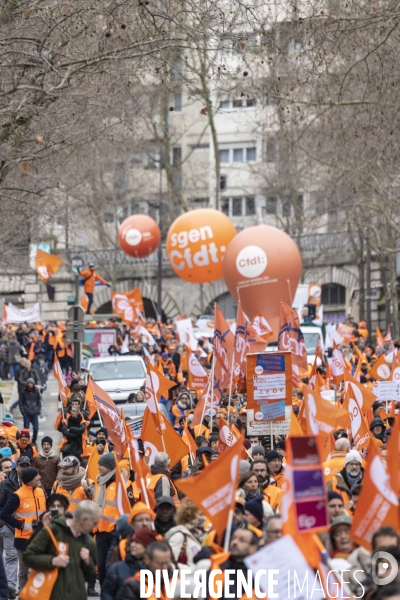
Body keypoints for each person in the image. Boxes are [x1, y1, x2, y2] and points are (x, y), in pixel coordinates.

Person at [23, 500, 99, 600]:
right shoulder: (52, 531)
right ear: (84, 520)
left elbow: (90, 576)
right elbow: (28, 556)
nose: (96, 526)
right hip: (50, 595)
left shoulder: (89, 542)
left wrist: (87, 561)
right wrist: (52, 561)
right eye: (94, 523)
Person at [0, 467, 46, 591]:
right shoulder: (18, 495)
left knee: (40, 571)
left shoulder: (41, 491)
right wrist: (19, 525)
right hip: (23, 539)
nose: (39, 478)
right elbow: (3, 513)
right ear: (30, 479)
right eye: (37, 476)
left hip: (41, 538)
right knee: (24, 572)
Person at [0, 456, 30, 599]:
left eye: (26, 465)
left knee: (19, 558)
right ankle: (9, 587)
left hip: (24, 528)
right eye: (21, 465)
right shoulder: (6, 484)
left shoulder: (34, 484)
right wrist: (3, 523)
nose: (24, 468)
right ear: (16, 467)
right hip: (8, 526)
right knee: (11, 557)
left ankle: (16, 587)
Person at [101, 529, 158, 600]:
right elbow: (106, 593)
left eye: (137, 542)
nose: (132, 545)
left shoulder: (157, 569)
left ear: (147, 546)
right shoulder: (117, 568)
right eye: (132, 541)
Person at [208, 529, 260, 597]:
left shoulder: (256, 577)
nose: (235, 542)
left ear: (253, 548)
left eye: (242, 540)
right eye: (233, 538)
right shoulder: (218, 562)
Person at [93, 453, 118, 588]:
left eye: (101, 465)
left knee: (110, 565)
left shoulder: (120, 484)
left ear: (109, 467)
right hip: (100, 531)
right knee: (101, 566)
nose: (99, 467)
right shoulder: (99, 483)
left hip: (114, 531)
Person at [165, 499, 207, 567]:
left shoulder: (203, 535)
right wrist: (192, 571)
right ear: (189, 516)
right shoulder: (179, 536)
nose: (204, 518)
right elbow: (171, 564)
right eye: (201, 515)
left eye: (205, 515)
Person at [18, 379, 41, 445]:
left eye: (31, 383)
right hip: (26, 414)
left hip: (34, 413)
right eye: (29, 383)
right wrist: (23, 412)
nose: (30, 384)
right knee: (26, 431)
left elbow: (39, 401)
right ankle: (26, 442)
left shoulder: (36, 392)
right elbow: (21, 403)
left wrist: (38, 411)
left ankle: (33, 441)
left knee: (36, 428)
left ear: (33, 384)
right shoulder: (23, 392)